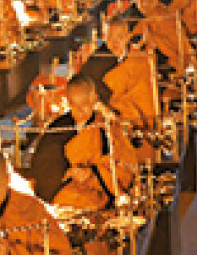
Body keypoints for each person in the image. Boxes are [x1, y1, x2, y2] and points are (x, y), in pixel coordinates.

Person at [27, 76, 139, 211]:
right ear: (68, 102)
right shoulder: (59, 128)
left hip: (98, 189)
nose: (80, 111)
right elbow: (43, 168)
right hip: (66, 191)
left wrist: (92, 172)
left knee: (93, 203)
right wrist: (68, 173)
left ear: (94, 99)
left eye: (84, 104)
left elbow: (125, 165)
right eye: (74, 105)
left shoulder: (107, 126)